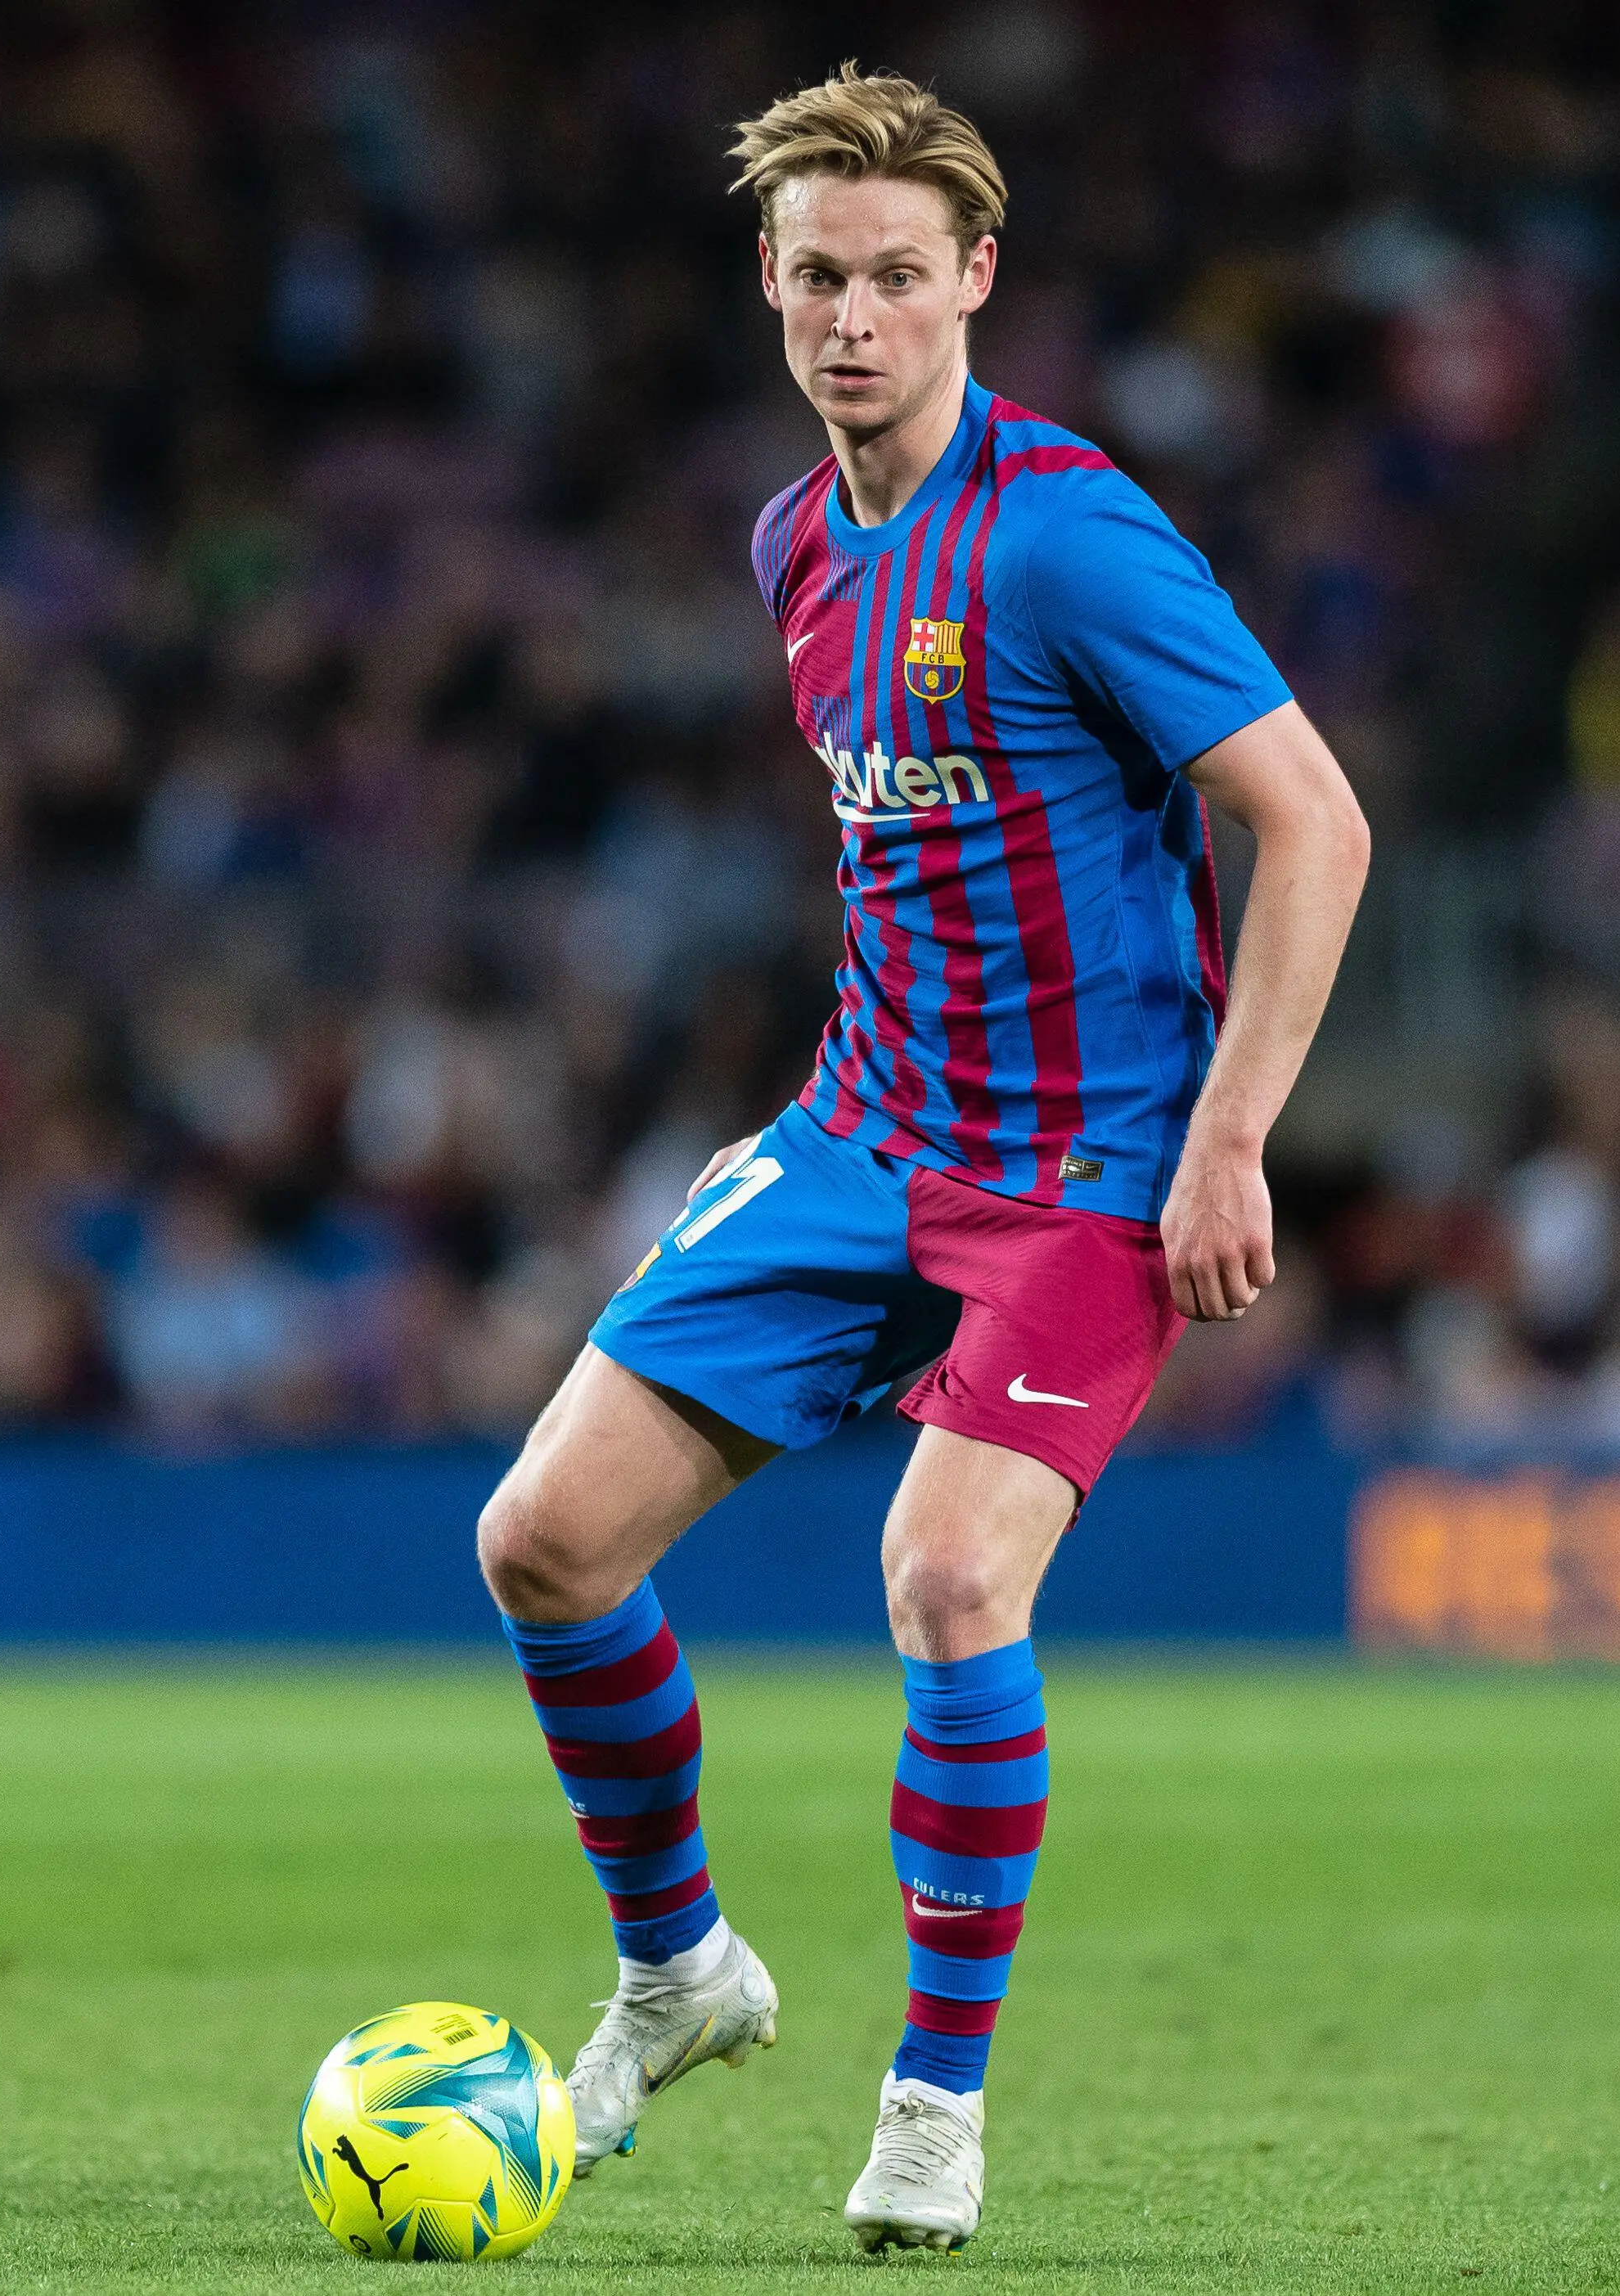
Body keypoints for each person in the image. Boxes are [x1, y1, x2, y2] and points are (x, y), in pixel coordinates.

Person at [477, 63, 1370, 2254]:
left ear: (976, 279)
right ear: (767, 292)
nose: (851, 319)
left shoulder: (1068, 529)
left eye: (894, 277)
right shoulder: (796, 542)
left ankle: (933, 2108)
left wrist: (1231, 1139)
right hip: (865, 1131)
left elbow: (1312, 817)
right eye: (813, 279)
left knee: (950, 1578)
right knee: (544, 1539)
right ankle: (681, 1970)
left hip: (1088, 1170)